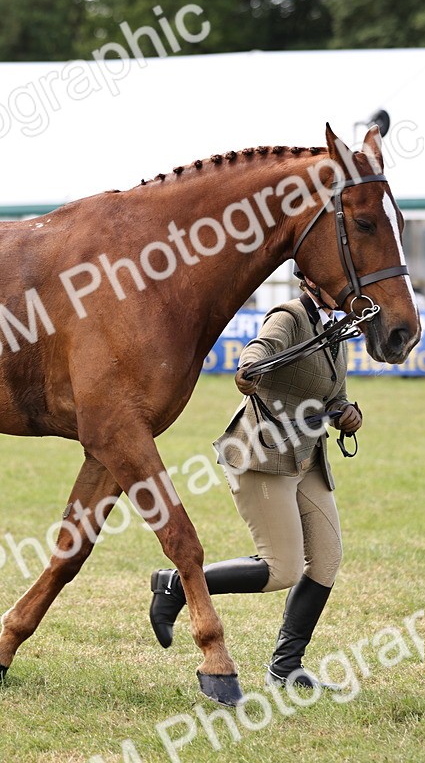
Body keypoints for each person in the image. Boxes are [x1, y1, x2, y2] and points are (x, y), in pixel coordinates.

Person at [147, 273, 362, 690]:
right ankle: (176, 584)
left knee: (326, 559)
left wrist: (348, 413)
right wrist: (249, 368)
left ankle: (286, 668)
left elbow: (332, 394)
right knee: (282, 569)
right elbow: (259, 351)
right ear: (313, 283)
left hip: (307, 458)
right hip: (263, 456)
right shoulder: (290, 316)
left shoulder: (333, 331)